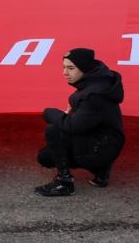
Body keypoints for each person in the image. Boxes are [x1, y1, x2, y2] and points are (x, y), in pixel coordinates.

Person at [34, 48, 125, 197]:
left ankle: (64, 183)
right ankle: (101, 171)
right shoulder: (99, 84)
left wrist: (49, 113)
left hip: (101, 149)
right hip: (106, 144)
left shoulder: (94, 94)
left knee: (52, 133)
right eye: (63, 67)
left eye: (70, 68)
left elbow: (73, 126)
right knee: (51, 146)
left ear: (85, 68)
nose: (65, 73)